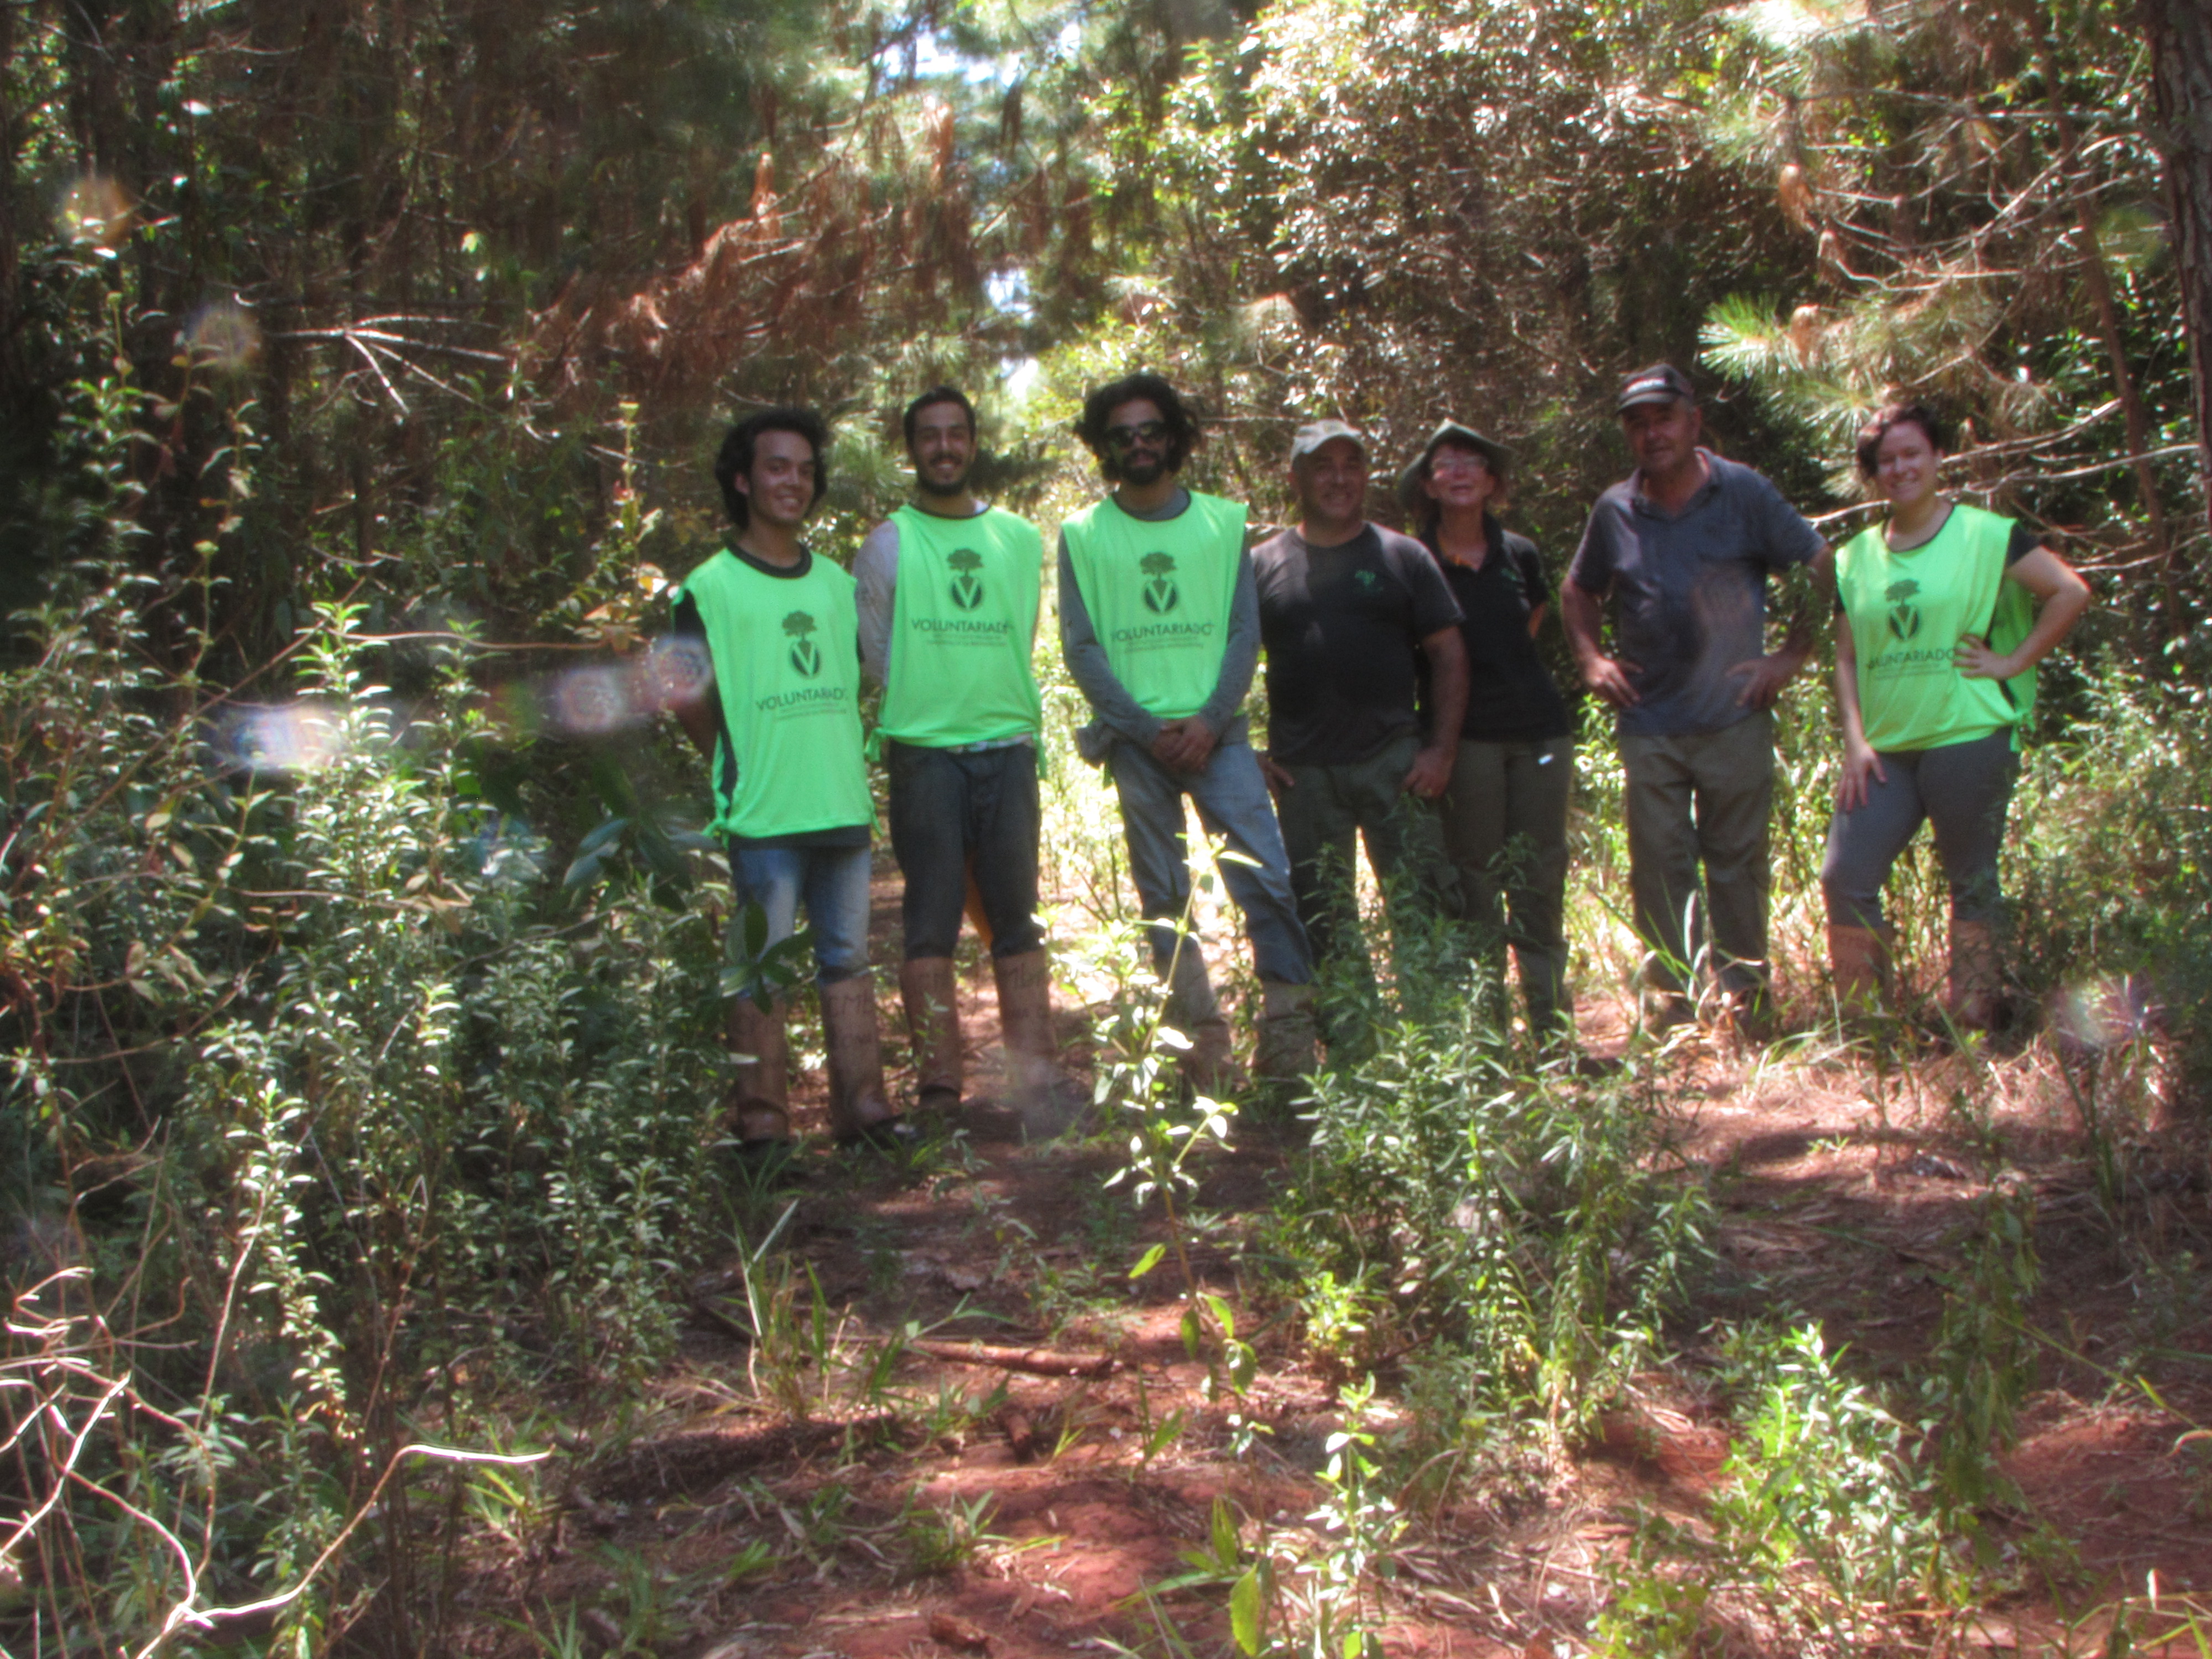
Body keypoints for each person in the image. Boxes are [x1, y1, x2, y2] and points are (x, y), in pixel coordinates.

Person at [1058, 373, 1317, 1089]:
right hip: (1137, 748)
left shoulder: (1221, 522)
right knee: (1164, 899)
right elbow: (1081, 647)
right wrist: (1145, 729)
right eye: (1122, 435)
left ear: (1173, 435)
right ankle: (1204, 1053)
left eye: (1151, 430)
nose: (1139, 444)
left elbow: (1244, 633)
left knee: (1265, 881)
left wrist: (1208, 723)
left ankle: (1290, 1046)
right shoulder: (1083, 535)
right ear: (1106, 447)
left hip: (1222, 740)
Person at [667, 406, 909, 1152]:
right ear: (742, 480)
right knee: (760, 968)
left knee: (848, 962)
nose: (792, 483)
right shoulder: (707, 588)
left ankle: (862, 1111)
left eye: (805, 471)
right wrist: (731, 763)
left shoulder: (837, 584)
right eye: (776, 467)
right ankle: (763, 1128)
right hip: (763, 809)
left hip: (839, 803)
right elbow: (684, 693)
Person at [1563, 363, 1832, 1025]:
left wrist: (1790, 657)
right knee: (1657, 865)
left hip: (1733, 714)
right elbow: (1577, 591)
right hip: (1649, 719)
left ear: (1692, 420)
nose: (1652, 433)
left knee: (1737, 863)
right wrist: (1591, 658)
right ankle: (1675, 1005)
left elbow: (1820, 567)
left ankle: (1747, 1003)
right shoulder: (1615, 509)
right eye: (1637, 423)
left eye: (1663, 417)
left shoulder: (1742, 492)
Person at [1823, 402, 2090, 1027]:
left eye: (1912, 454)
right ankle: (1866, 1030)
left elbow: (2068, 591)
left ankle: (1974, 1027)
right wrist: (1855, 742)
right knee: (1845, 874)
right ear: (1873, 474)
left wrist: (2011, 660)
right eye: (1886, 460)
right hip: (1884, 750)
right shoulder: (1853, 558)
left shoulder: (1986, 535)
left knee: (1971, 882)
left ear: (1938, 458)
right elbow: (1845, 657)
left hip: (1967, 735)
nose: (1901, 468)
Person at [855, 385, 1059, 1116]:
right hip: (923, 751)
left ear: (974, 444)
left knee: (1017, 912)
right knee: (931, 913)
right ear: (911, 449)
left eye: (956, 434)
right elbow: (877, 651)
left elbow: (1019, 633)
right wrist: (932, 696)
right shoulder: (888, 544)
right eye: (929, 436)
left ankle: (1036, 1082)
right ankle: (940, 1089)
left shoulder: (1019, 539)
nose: (944, 447)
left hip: (1006, 744)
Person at [1252, 420, 1466, 1041]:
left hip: (1395, 763)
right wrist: (1248, 753)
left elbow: (1449, 654)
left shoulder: (1402, 555)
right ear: (1295, 478)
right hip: (1303, 772)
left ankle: (1438, 1047)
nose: (1338, 478)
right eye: (1322, 466)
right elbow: (1226, 659)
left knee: (1422, 905)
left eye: (1351, 464)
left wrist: (1441, 751)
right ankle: (1356, 1055)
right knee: (1325, 917)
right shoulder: (1261, 566)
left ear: (1365, 475)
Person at [1399, 422, 1577, 1043]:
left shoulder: (1519, 553)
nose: (1459, 471)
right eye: (1445, 463)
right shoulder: (1411, 559)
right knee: (1475, 877)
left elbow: (1530, 619)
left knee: (1539, 873)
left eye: (1473, 462)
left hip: (1540, 733)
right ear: (1427, 483)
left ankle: (1554, 1034)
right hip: (1465, 741)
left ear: (1493, 482)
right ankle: (1489, 1039)